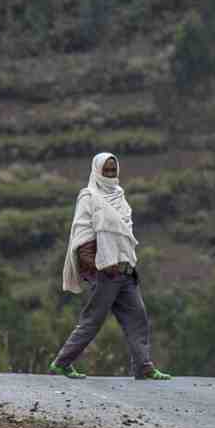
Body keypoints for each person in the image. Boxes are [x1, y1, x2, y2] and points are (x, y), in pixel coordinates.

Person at [48, 152, 172, 381]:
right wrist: (99, 268)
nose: (110, 173)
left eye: (113, 169)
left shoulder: (120, 197)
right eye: (106, 169)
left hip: (125, 273)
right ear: (96, 171)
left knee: (138, 317)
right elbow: (82, 238)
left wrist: (124, 265)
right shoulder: (89, 197)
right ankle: (61, 364)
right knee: (92, 322)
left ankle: (143, 367)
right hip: (105, 275)